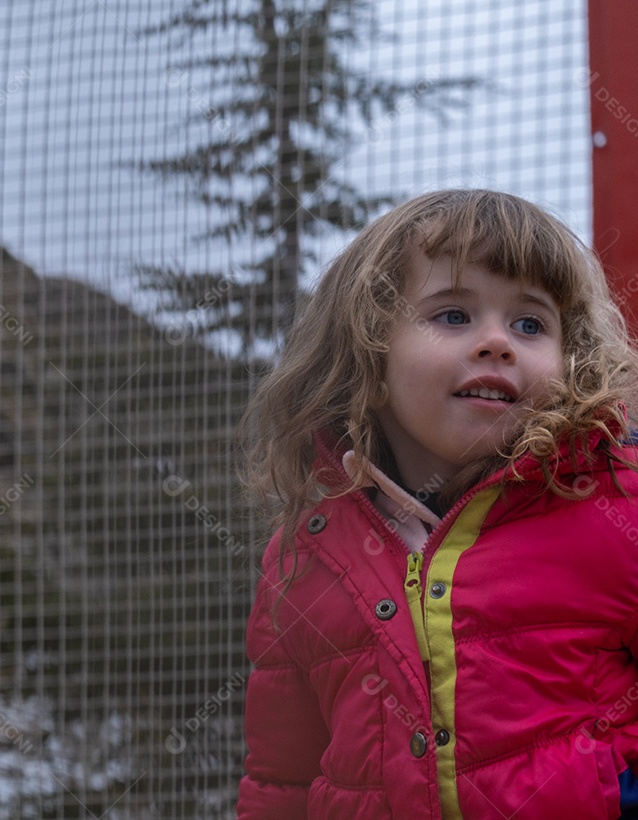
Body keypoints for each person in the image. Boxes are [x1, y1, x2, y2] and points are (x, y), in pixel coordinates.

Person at [235, 189, 638, 819]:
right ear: (367, 350)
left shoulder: (613, 501)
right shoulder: (303, 557)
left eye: (530, 324)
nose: (498, 342)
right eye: (453, 316)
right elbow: (282, 777)